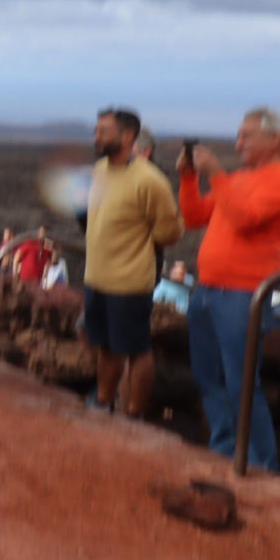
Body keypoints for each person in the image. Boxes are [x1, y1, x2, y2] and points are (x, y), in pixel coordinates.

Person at [177, 107, 280, 471]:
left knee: (242, 384)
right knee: (208, 376)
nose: (237, 142)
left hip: (243, 297)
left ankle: (260, 463)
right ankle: (225, 449)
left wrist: (216, 174)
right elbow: (194, 217)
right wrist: (189, 179)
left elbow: (245, 218)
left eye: (247, 135)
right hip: (207, 291)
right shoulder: (238, 178)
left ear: (275, 139)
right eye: (238, 134)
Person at [83, 107, 184, 417]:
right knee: (104, 345)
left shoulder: (149, 180)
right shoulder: (99, 171)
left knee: (137, 350)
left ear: (127, 136)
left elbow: (170, 230)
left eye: (104, 131)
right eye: (96, 130)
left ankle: (134, 413)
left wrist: (134, 246)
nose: (96, 136)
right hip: (96, 277)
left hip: (129, 283)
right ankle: (103, 400)